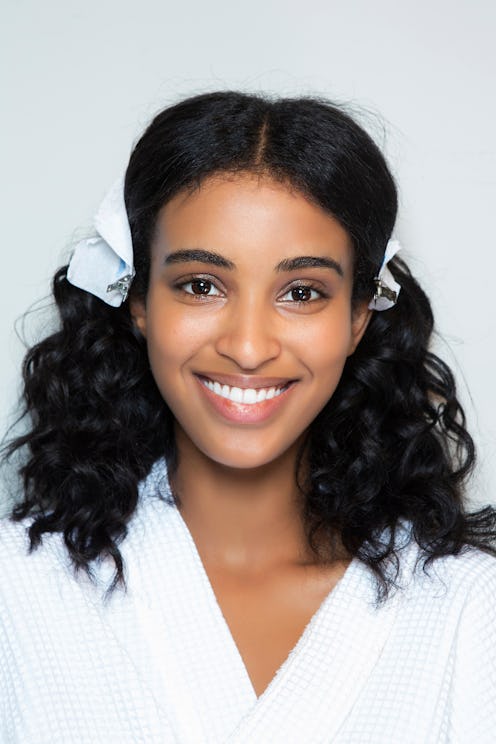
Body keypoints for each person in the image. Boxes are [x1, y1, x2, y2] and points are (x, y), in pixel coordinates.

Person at [1, 91, 495, 743]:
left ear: (358, 316)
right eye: (201, 285)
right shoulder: (15, 591)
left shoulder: (470, 610)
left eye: (302, 292)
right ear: (138, 299)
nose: (249, 345)